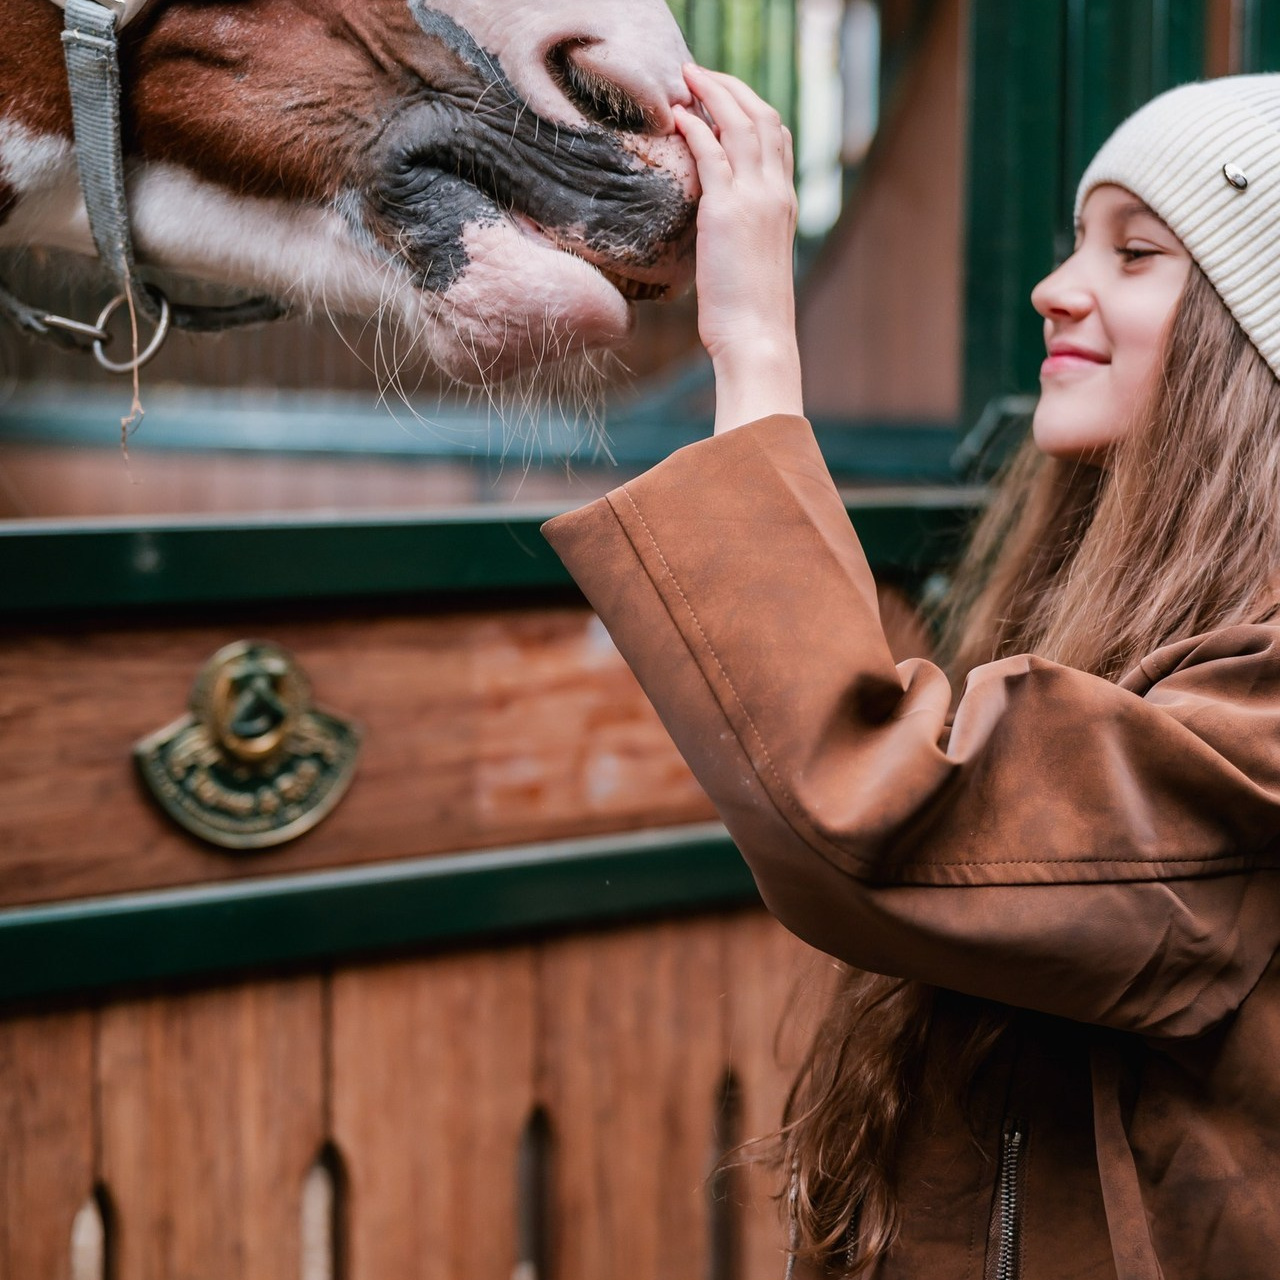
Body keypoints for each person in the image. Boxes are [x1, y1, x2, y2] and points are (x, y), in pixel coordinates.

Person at [543, 68, 1280, 1280]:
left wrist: (756, 349)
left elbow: (876, 813)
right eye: (1072, 243)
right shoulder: (1128, 609)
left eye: (1134, 253)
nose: (1054, 287)